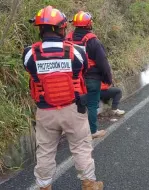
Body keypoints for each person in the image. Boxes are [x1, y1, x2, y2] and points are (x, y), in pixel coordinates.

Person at [23, 6, 103, 189]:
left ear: (40, 29)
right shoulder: (77, 51)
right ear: (62, 28)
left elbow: (30, 70)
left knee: (45, 151)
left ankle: (44, 186)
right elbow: (83, 70)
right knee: (81, 147)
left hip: (45, 111)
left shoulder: (29, 53)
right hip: (73, 108)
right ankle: (89, 184)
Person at [66, 11, 112, 139]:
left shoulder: (68, 38)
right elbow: (103, 62)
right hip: (91, 78)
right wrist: (108, 78)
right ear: (88, 24)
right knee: (92, 104)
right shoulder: (93, 41)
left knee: (75, 104)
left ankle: (74, 131)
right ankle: (92, 131)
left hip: (72, 78)